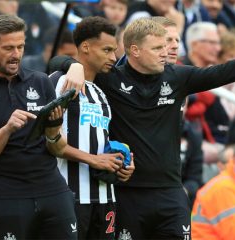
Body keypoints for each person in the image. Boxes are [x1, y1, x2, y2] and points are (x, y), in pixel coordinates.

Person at [49, 18, 235, 239]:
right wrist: (73, 65)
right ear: (134, 51)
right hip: (126, 193)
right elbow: (58, 62)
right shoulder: (110, 79)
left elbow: (224, 72)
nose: (165, 53)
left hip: (170, 192)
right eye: (157, 48)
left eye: (166, 46)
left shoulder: (177, 77)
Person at [0, 14, 98, 239]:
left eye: (20, 46)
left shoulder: (40, 81)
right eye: (8, 47)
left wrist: (52, 129)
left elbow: (56, 146)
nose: (16, 54)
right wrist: (7, 129)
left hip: (53, 189)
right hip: (8, 194)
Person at [50, 16, 135, 240]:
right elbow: (48, 140)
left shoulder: (100, 94)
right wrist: (94, 160)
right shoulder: (60, 82)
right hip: (69, 196)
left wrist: (123, 162)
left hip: (106, 198)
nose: (113, 57)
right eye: (107, 50)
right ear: (85, 47)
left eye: (114, 50)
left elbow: (100, 141)